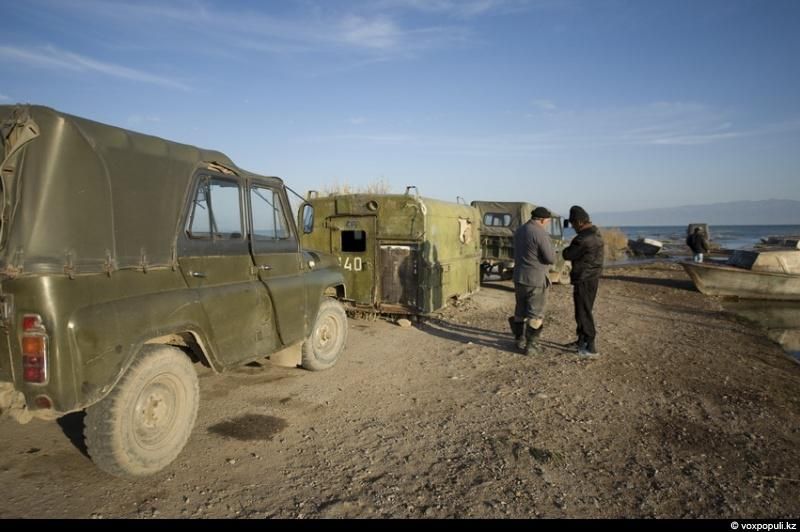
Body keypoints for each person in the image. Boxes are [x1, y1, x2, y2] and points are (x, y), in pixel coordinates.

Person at [509, 206, 556, 356]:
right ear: (542, 220)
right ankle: (532, 346)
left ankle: (519, 340)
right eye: (547, 221)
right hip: (536, 278)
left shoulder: (520, 230)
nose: (547, 223)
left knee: (520, 310)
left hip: (519, 277)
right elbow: (550, 258)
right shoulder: (540, 233)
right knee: (535, 314)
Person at [562, 205, 604, 359]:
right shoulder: (595, 233)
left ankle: (591, 346)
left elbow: (568, 254)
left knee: (583, 312)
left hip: (584, 278)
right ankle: (581, 341)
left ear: (579, 222)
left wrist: (566, 249)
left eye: (573, 223)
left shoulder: (583, 238)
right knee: (583, 311)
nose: (572, 227)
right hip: (591, 276)